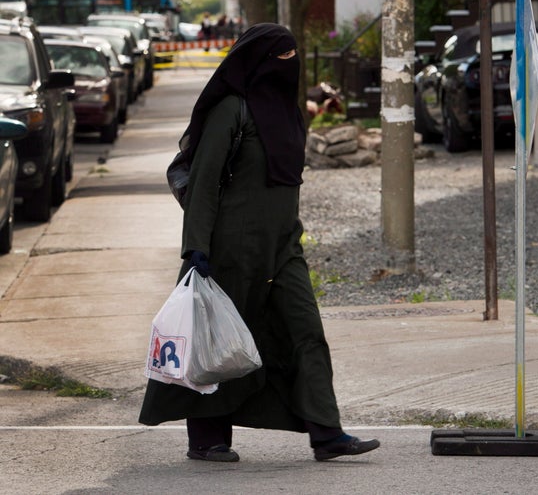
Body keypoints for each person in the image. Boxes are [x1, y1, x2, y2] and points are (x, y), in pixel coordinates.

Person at [139, 23, 380, 463]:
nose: (288, 65)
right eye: (279, 57)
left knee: (305, 331)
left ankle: (327, 433)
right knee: (219, 341)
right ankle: (207, 438)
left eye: (293, 55)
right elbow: (206, 179)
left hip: (283, 246)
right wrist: (196, 247)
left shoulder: (290, 111)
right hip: (230, 248)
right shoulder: (232, 109)